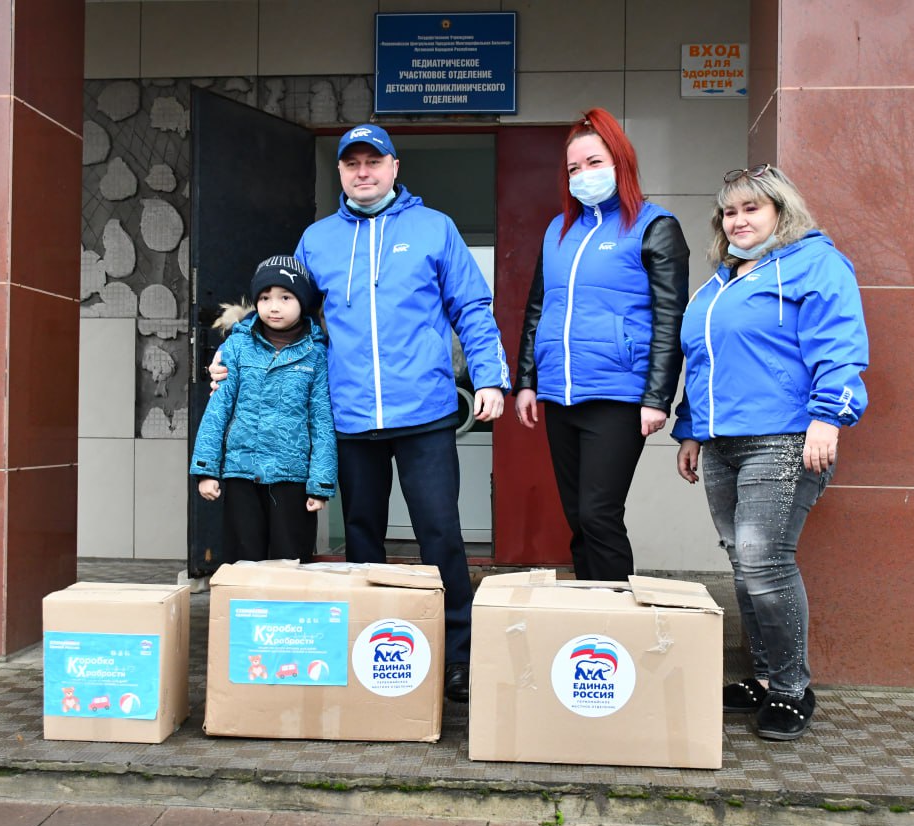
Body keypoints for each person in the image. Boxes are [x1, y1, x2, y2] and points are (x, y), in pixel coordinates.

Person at [210, 124, 509, 703]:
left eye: (375, 161)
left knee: (440, 536)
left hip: (423, 412)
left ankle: (457, 657)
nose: (363, 171)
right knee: (362, 538)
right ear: (342, 172)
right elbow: (282, 310)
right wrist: (231, 352)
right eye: (353, 164)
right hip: (347, 417)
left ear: (395, 167)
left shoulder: (434, 228)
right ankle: (371, 649)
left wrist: (491, 378)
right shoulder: (317, 239)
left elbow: (471, 306)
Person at [672, 164, 869, 741]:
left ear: (781, 211)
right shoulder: (721, 283)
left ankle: (790, 688)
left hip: (783, 437)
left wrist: (828, 416)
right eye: (729, 212)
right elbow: (704, 363)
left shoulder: (814, 264)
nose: (737, 220)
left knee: (763, 559)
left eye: (751, 209)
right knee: (743, 560)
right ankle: (762, 677)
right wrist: (689, 429)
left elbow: (839, 343)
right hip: (721, 442)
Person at [513, 107, 690, 582]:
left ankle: (616, 625)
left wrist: (657, 398)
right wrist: (525, 382)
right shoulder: (559, 230)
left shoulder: (656, 226)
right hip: (560, 395)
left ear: (620, 162)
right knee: (577, 520)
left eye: (594, 163)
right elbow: (538, 308)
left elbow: (671, 319)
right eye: (574, 168)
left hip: (618, 397)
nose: (583, 175)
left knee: (598, 514)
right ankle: (589, 621)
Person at [190, 255, 337, 583]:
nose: (274, 306)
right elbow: (218, 411)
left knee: (292, 561)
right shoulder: (237, 347)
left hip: (292, 477)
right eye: (265, 297)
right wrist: (206, 470)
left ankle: (287, 627)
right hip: (242, 472)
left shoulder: (315, 353)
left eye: (285, 297)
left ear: (303, 301)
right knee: (243, 561)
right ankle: (243, 625)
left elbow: (321, 420)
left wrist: (321, 484)